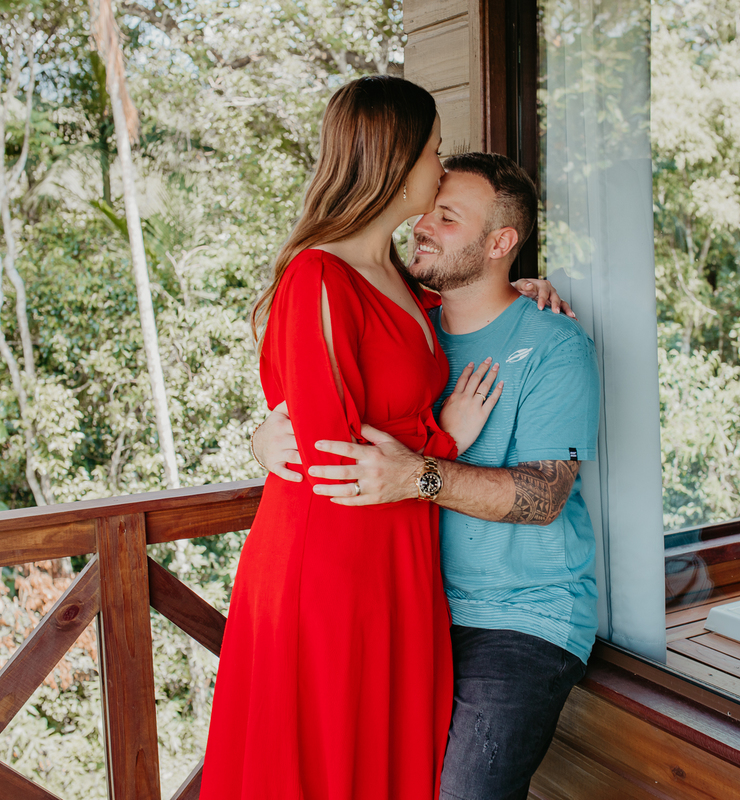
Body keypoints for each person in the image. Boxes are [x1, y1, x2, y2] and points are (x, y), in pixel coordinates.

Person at [199, 76, 512, 800]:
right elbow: (334, 460)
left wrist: (520, 288)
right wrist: (447, 439)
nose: (439, 169)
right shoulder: (319, 276)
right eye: (434, 151)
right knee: (328, 762)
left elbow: (430, 323)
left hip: (395, 556)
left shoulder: (392, 272)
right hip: (331, 569)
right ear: (396, 162)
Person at [254, 153, 601, 800]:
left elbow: (544, 495)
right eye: (427, 209)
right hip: (411, 606)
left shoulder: (554, 345)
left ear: (501, 243)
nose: (422, 225)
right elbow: (324, 416)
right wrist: (265, 438)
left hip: (520, 619)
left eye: (447, 216)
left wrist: (420, 476)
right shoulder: (408, 329)